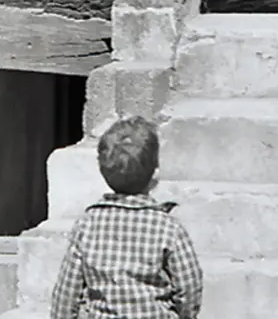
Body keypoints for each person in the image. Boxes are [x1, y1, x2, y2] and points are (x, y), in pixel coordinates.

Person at [49, 116, 204, 318]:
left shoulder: (88, 226)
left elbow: (66, 295)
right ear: (154, 175)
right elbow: (189, 287)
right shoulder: (168, 228)